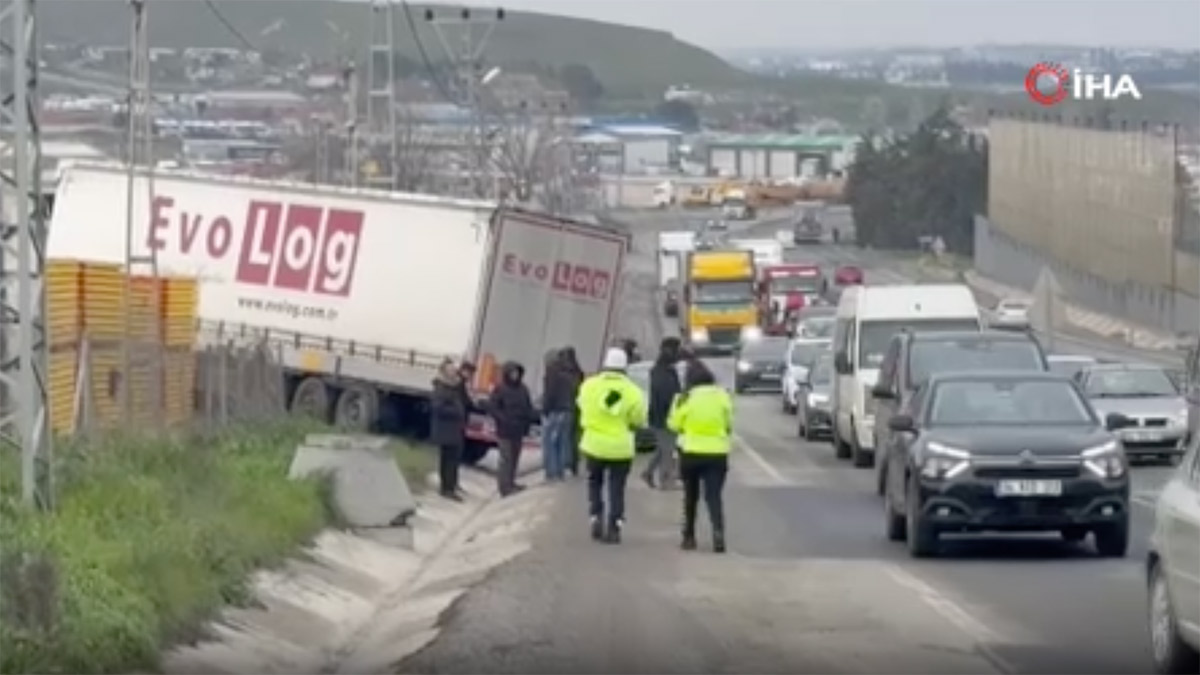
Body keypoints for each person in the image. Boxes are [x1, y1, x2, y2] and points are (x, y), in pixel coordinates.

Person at [577, 347, 647, 543]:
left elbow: (581, 405)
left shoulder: (589, 386)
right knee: (617, 487)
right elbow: (639, 420)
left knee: (594, 482)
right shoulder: (633, 391)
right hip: (620, 448)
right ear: (625, 368)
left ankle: (595, 516)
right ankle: (614, 525)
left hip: (594, 445)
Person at [668, 359, 733, 553]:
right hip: (717, 453)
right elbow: (729, 423)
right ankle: (718, 533)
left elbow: (673, 424)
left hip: (691, 452)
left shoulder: (684, 398)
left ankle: (688, 536)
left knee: (690, 496)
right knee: (713, 496)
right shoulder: (722, 396)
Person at [488, 361, 537, 497]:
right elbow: (493, 407)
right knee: (506, 458)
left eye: (517, 373)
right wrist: (503, 419)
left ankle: (511, 482)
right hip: (505, 430)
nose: (515, 375)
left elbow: (528, 408)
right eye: (512, 373)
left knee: (515, 457)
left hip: (519, 430)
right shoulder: (500, 388)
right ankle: (504, 487)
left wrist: (530, 420)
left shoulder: (523, 389)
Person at [642, 336, 682, 489]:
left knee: (663, 448)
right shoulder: (662, 372)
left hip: (663, 415)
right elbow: (667, 395)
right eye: (676, 350)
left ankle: (647, 473)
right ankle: (666, 481)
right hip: (663, 416)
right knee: (668, 449)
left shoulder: (663, 370)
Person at [430, 358, 472, 501]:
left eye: (454, 370)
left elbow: (464, 401)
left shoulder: (455, 386)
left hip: (455, 428)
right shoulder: (441, 387)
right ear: (444, 372)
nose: (454, 372)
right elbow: (437, 407)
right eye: (451, 370)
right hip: (446, 428)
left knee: (453, 459)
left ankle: (451, 486)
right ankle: (446, 488)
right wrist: (456, 411)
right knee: (448, 459)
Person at [541, 348, 572, 482]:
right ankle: (560, 472)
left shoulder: (551, 373)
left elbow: (550, 394)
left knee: (550, 443)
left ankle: (551, 474)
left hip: (555, 412)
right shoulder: (566, 372)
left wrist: (545, 410)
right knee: (561, 443)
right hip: (567, 412)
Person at [557, 346, 585, 478]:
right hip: (577, 408)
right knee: (573, 438)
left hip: (566, 408)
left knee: (565, 438)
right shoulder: (578, 372)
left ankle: (565, 465)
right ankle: (573, 464)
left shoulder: (562, 373)